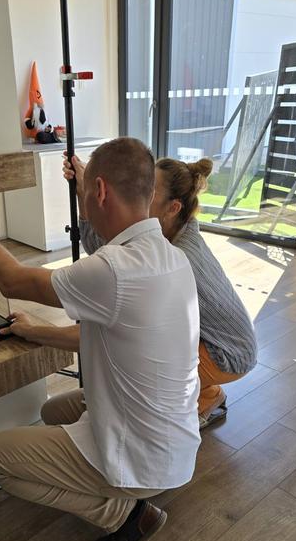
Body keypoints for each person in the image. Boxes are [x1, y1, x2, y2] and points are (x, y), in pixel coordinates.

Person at [0, 137, 201, 541]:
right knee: (54, 411)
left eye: (86, 188)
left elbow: (12, 280)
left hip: (146, 457)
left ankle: (124, 513)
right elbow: (100, 335)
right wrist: (34, 333)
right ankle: (123, 491)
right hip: (175, 441)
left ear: (99, 190)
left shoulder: (114, 270)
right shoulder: (170, 256)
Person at [30, 153, 256, 428]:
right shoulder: (176, 229)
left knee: (138, 361)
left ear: (173, 208)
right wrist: (84, 192)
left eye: (148, 192)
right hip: (221, 340)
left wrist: (34, 331)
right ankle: (207, 394)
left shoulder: (174, 256)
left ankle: (199, 401)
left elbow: (108, 270)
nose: (137, 194)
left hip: (227, 355)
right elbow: (102, 246)